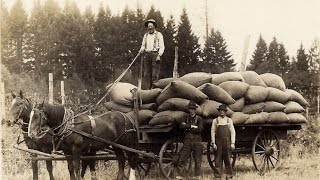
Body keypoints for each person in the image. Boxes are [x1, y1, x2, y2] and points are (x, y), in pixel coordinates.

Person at [176, 100, 203, 179]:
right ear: (189, 109)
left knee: (197, 159)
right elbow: (181, 126)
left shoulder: (199, 119)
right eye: (190, 109)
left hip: (197, 141)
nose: (192, 110)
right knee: (183, 158)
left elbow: (200, 129)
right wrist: (192, 126)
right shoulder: (185, 117)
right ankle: (180, 175)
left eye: (193, 109)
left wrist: (187, 127)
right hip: (187, 141)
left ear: (195, 110)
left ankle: (197, 176)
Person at [211, 104, 236, 180]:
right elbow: (213, 132)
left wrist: (232, 143)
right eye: (220, 111)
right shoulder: (215, 120)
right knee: (218, 160)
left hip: (227, 142)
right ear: (219, 111)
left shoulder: (229, 120)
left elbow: (232, 132)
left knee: (228, 159)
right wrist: (213, 143)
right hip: (218, 142)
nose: (222, 112)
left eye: (223, 111)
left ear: (225, 112)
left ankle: (229, 176)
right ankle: (217, 176)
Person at [139, 19, 165, 90]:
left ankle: (154, 90)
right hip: (147, 55)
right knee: (146, 74)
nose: (149, 27)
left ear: (154, 27)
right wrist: (141, 49)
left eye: (151, 26)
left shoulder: (159, 35)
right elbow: (143, 45)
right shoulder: (146, 35)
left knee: (154, 74)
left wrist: (159, 55)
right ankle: (147, 90)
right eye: (148, 26)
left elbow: (162, 47)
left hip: (155, 55)